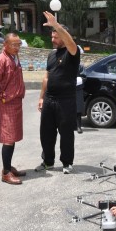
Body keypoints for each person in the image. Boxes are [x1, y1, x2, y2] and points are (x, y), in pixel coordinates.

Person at [35, 11, 80, 174]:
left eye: (56, 36)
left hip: (66, 100)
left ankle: (67, 163)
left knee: (66, 133)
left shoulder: (72, 53)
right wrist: (41, 97)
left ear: (63, 36)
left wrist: (56, 25)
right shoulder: (51, 55)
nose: (52, 39)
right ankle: (47, 161)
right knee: (46, 133)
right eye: (52, 36)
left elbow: (71, 43)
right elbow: (46, 77)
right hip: (50, 99)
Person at [0, 33, 26, 185]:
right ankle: (6, 173)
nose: (17, 48)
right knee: (8, 138)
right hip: (6, 102)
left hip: (16, 102)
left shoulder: (15, 57)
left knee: (12, 136)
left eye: (18, 44)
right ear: (5, 45)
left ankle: (8, 166)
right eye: (14, 45)